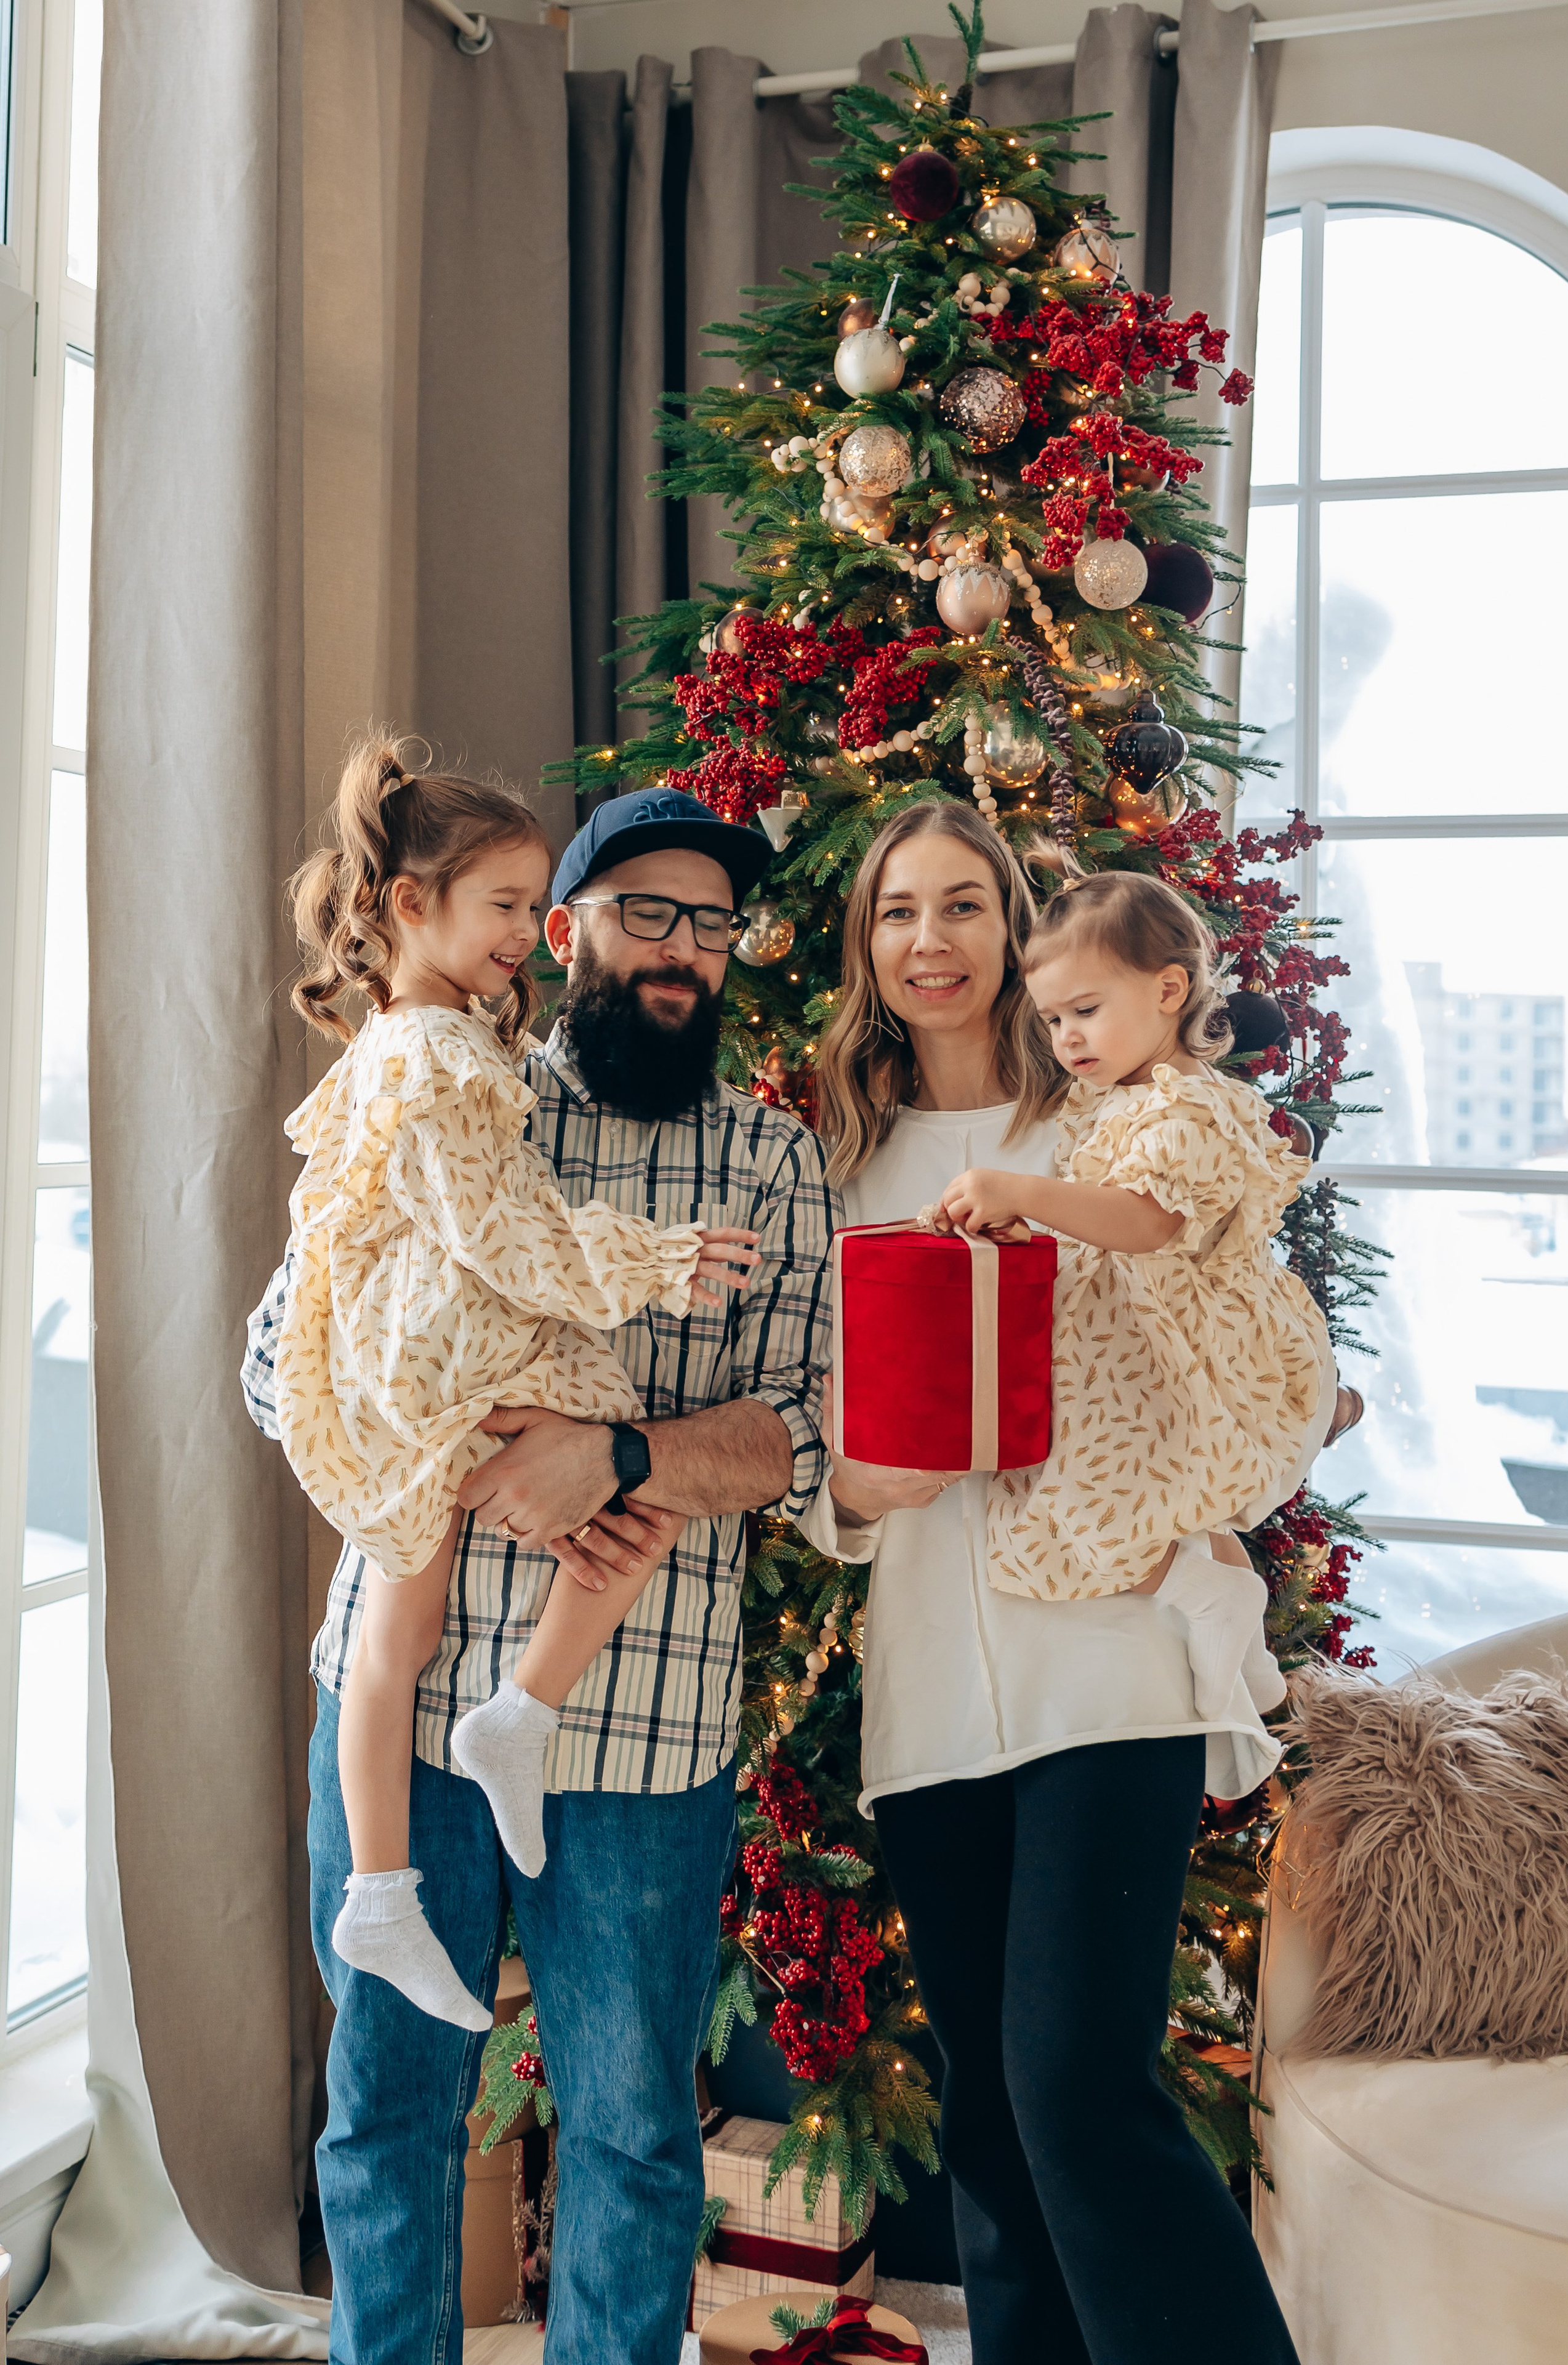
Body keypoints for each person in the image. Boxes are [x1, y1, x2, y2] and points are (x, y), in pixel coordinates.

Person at [241, 783, 837, 2365]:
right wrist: (479, 1441)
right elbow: (274, 1358)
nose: (681, 948)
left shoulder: (773, 1163)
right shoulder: (452, 1097)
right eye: (644, 910)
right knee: (384, 2113)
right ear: (556, 930)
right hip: (407, 1691)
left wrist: (619, 1454)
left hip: (638, 1727)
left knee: (636, 2133)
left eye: (710, 923)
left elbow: (802, 1433)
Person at [800, 796, 1306, 2365]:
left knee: (1079, 2083)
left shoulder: (1106, 1123)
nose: (930, 940)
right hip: (929, 1686)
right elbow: (820, 1436)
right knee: (989, 2121)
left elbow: (1230, 1312)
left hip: (1105, 1653)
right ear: (865, 948)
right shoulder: (836, 1162)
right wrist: (849, 1495)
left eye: (964, 907)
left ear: (1018, 942)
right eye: (897, 912)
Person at [271, 738, 760, 2033]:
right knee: (422, 1609)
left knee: (586, 1507)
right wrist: (657, 1260)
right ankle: (451, 1799)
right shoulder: (444, 1063)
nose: (519, 948)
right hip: (441, 1357)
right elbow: (505, 1236)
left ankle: (480, 1760)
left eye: (710, 921)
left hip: (432, 1356)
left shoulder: (420, 1044)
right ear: (407, 906)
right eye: (506, 909)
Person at [931, 864, 1334, 1723]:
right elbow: (1100, 1219)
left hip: (1175, 1355)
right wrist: (1028, 1228)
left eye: (1086, 1009)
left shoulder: (1192, 1106)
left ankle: (1206, 1593)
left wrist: (1022, 1193)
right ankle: (1244, 1639)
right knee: (1129, 1496)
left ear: (1168, 989)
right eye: (1052, 1018)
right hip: (1124, 1345)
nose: (1068, 1036)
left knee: (1082, 1504)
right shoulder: (1118, 1099)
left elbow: (1146, 1220)